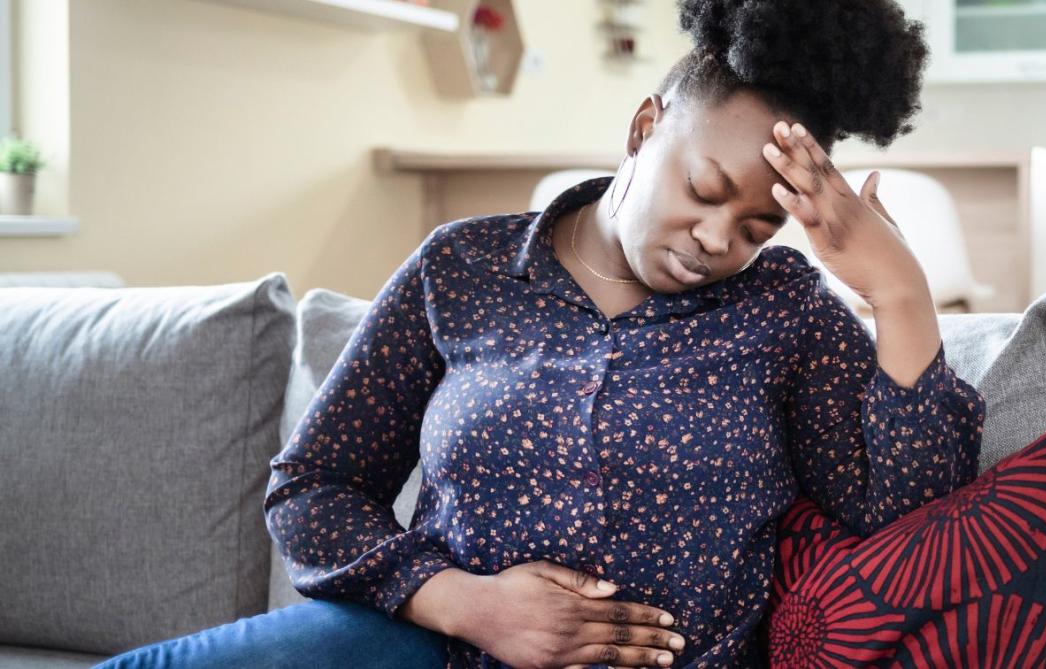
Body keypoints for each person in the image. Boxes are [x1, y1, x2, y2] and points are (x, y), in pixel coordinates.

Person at [94, 0, 985, 667]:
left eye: (758, 226)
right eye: (706, 189)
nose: (719, 240)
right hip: (427, 651)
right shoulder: (463, 269)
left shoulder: (782, 309)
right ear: (644, 127)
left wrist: (898, 293)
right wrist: (462, 605)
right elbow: (313, 487)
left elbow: (904, 516)